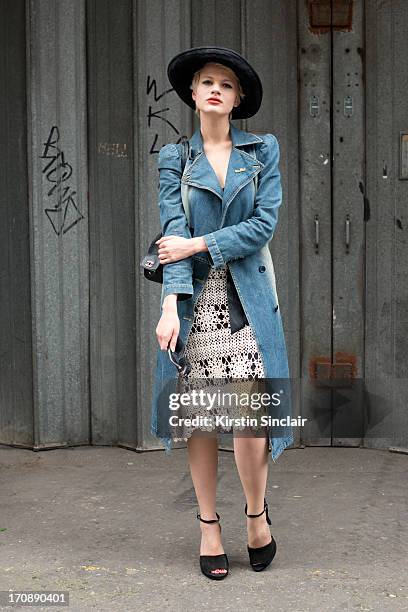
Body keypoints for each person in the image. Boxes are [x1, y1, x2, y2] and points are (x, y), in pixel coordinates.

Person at [151, 46, 293, 580]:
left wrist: (197, 244)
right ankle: (209, 524)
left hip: (248, 301)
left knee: (250, 421)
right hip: (194, 305)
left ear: (237, 100)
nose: (215, 88)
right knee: (203, 422)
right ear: (192, 94)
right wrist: (169, 303)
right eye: (206, 81)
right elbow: (171, 237)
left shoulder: (263, 151)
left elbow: (263, 226)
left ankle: (256, 517)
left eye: (226, 84)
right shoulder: (175, 159)